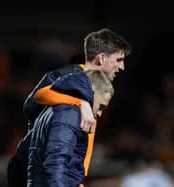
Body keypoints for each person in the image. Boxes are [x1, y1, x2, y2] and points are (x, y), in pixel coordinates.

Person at [7, 28, 132, 187]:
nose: (122, 67)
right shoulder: (71, 79)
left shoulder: (90, 89)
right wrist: (81, 103)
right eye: (119, 60)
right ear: (101, 59)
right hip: (33, 170)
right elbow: (36, 99)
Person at [27, 70, 114, 186]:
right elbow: (56, 163)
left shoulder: (57, 107)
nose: (100, 114)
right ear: (91, 93)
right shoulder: (69, 114)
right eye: (101, 107)